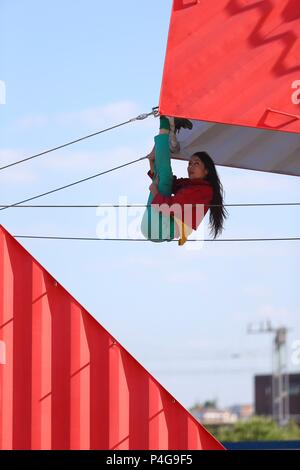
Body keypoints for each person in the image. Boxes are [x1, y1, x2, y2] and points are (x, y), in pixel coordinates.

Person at [141, 115, 228, 245]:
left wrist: (155, 192)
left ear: (206, 170)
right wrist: (152, 165)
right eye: (189, 163)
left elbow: (172, 206)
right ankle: (169, 128)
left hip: (160, 228)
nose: (190, 167)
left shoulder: (203, 191)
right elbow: (170, 183)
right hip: (156, 227)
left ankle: (166, 125)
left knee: (164, 178)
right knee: (164, 178)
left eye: (196, 164)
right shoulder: (192, 186)